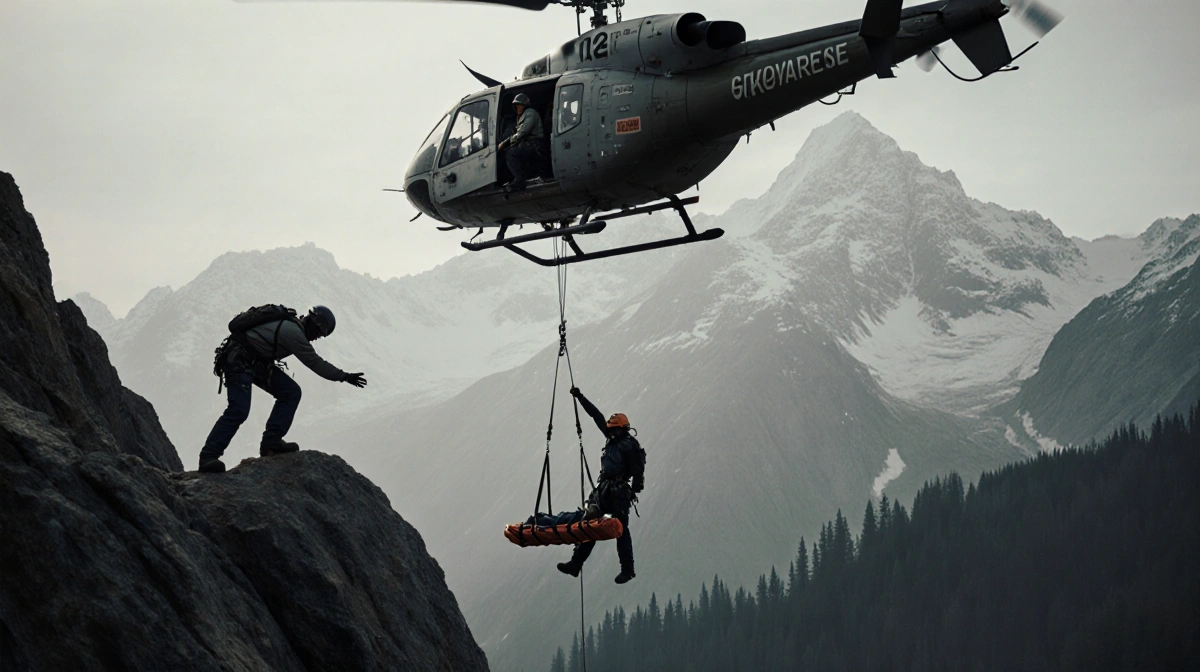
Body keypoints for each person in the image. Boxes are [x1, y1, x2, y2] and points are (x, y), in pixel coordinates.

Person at [198, 305, 367, 473]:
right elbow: (315, 363)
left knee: (290, 392)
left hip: (252, 361)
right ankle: (208, 457)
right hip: (239, 360)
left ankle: (271, 443)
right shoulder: (293, 333)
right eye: (319, 334)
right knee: (238, 410)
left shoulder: (292, 326)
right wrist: (344, 376)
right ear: (314, 325)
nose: (316, 338)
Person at [556, 386, 646, 584]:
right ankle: (576, 563)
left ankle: (628, 569)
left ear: (622, 429)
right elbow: (596, 416)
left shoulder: (629, 445)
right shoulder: (614, 441)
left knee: (621, 528)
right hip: (605, 490)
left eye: (614, 429)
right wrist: (580, 397)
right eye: (610, 429)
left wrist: (635, 488)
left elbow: (638, 469)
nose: (611, 432)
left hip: (619, 491)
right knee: (590, 524)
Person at [497, 93, 544, 192]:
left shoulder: (530, 113)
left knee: (511, 154)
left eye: (519, 105)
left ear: (525, 105)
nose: (517, 107)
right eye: (516, 105)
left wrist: (504, 143)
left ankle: (519, 179)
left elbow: (522, 132)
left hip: (535, 144)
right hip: (529, 143)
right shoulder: (522, 116)